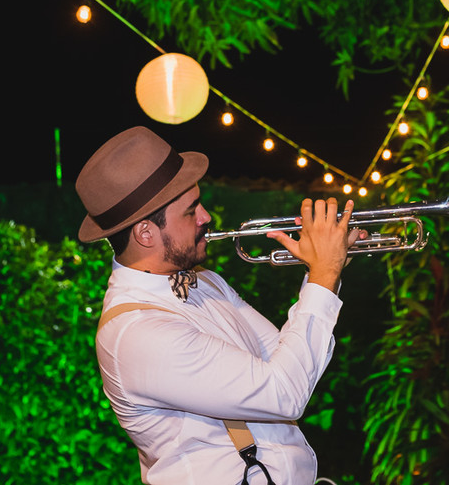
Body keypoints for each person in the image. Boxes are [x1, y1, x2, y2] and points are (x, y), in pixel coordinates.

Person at [75, 126, 365, 485]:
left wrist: (325, 273)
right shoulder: (136, 333)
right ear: (145, 233)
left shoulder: (206, 281)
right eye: (191, 211)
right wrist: (323, 274)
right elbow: (284, 394)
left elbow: (290, 361)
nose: (206, 217)